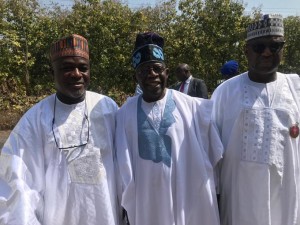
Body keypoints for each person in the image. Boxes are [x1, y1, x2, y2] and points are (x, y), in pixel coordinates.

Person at [0, 34, 120, 225]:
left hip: (106, 216)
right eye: (66, 68)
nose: (76, 74)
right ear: (51, 73)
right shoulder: (35, 119)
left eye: (83, 68)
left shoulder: (108, 108)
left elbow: (125, 166)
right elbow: (16, 182)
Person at [115, 31, 223, 225]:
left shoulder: (194, 108)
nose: (152, 75)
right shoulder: (123, 114)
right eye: (144, 71)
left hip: (189, 202)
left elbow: (215, 156)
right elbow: (122, 166)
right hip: (146, 205)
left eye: (157, 69)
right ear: (136, 77)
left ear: (166, 71)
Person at [211, 14, 300, 225]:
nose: (267, 52)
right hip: (239, 201)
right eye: (259, 47)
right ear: (246, 50)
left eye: (275, 46)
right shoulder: (225, 92)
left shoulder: (296, 88)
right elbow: (211, 152)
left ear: (282, 49)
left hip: (287, 200)